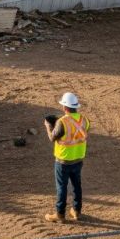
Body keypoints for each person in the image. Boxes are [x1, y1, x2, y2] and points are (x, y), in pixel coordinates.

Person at [43, 92, 90, 223]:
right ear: (76, 107)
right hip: (78, 159)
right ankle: (76, 211)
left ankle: (60, 213)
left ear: (64, 107)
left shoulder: (62, 122)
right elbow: (77, 132)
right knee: (77, 185)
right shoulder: (84, 120)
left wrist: (48, 126)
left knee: (62, 187)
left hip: (63, 160)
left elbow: (52, 137)